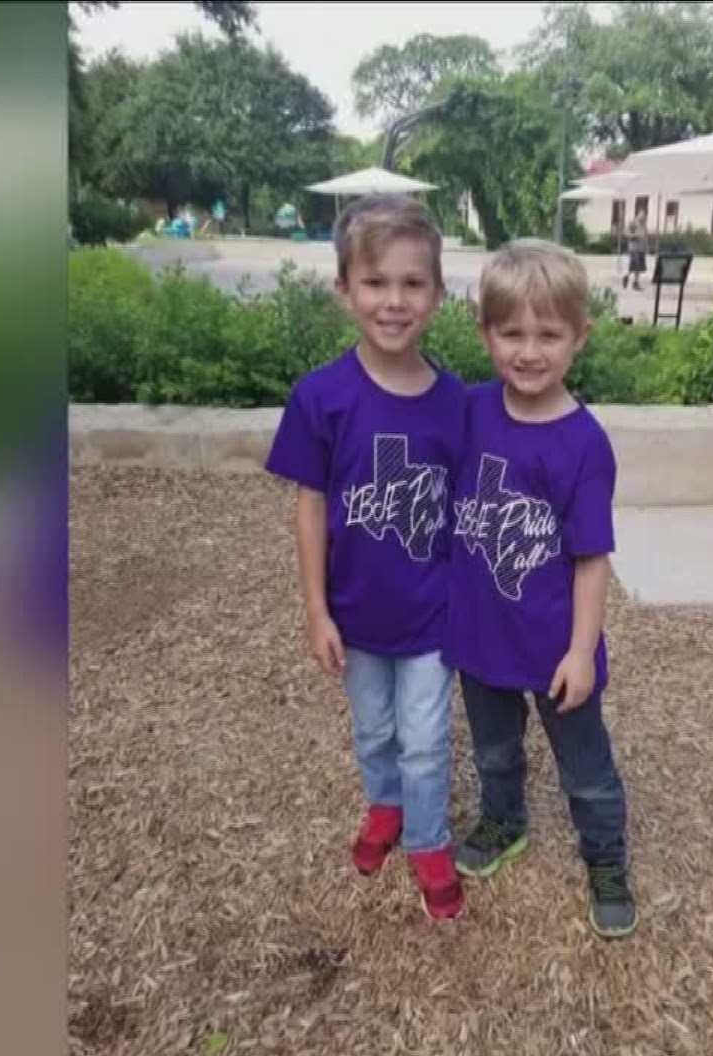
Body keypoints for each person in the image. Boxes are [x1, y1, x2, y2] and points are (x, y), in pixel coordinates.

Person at [263, 195, 468, 921]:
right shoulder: (320, 399)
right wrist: (316, 609)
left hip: (431, 616)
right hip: (354, 614)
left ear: (438, 295)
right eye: (376, 281)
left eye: (413, 283)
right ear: (343, 289)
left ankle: (428, 840)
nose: (394, 300)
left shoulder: (459, 406)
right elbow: (310, 505)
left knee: (425, 740)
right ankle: (383, 806)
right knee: (374, 731)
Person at [444, 240, 637, 939]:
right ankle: (504, 820)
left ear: (579, 337)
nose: (529, 351)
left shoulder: (584, 446)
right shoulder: (466, 412)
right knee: (493, 750)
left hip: (557, 649)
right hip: (477, 636)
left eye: (548, 334)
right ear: (484, 334)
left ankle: (607, 858)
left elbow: (591, 559)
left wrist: (582, 652)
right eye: (511, 333)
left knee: (586, 768)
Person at [623, 214, 648, 291]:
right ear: (638, 216)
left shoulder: (643, 225)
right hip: (633, 249)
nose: (643, 219)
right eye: (642, 217)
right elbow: (626, 234)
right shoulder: (632, 223)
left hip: (641, 249)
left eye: (644, 218)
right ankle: (635, 283)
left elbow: (644, 236)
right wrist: (635, 235)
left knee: (638, 267)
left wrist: (646, 247)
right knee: (635, 265)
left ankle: (628, 277)